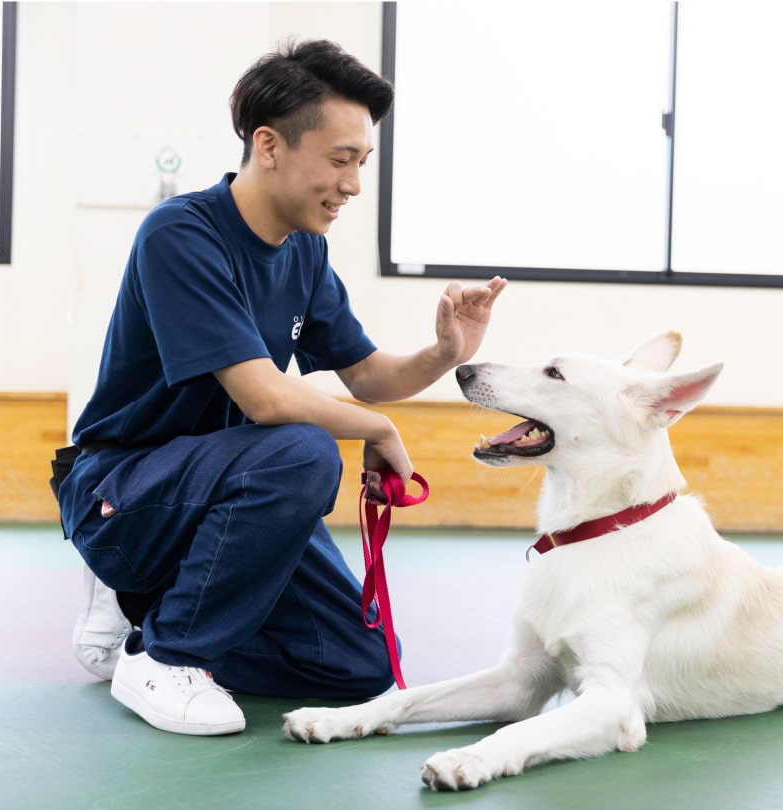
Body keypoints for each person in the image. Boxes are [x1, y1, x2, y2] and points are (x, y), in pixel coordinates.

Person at [55, 39, 506, 737]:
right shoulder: (180, 235)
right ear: (269, 146)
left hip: (231, 493)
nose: (353, 184)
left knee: (360, 666)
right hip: (123, 494)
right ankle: (167, 657)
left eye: (362, 162)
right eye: (339, 159)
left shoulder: (305, 251)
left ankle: (151, 616)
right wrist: (378, 432)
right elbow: (266, 399)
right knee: (303, 451)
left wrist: (444, 353)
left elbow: (368, 376)